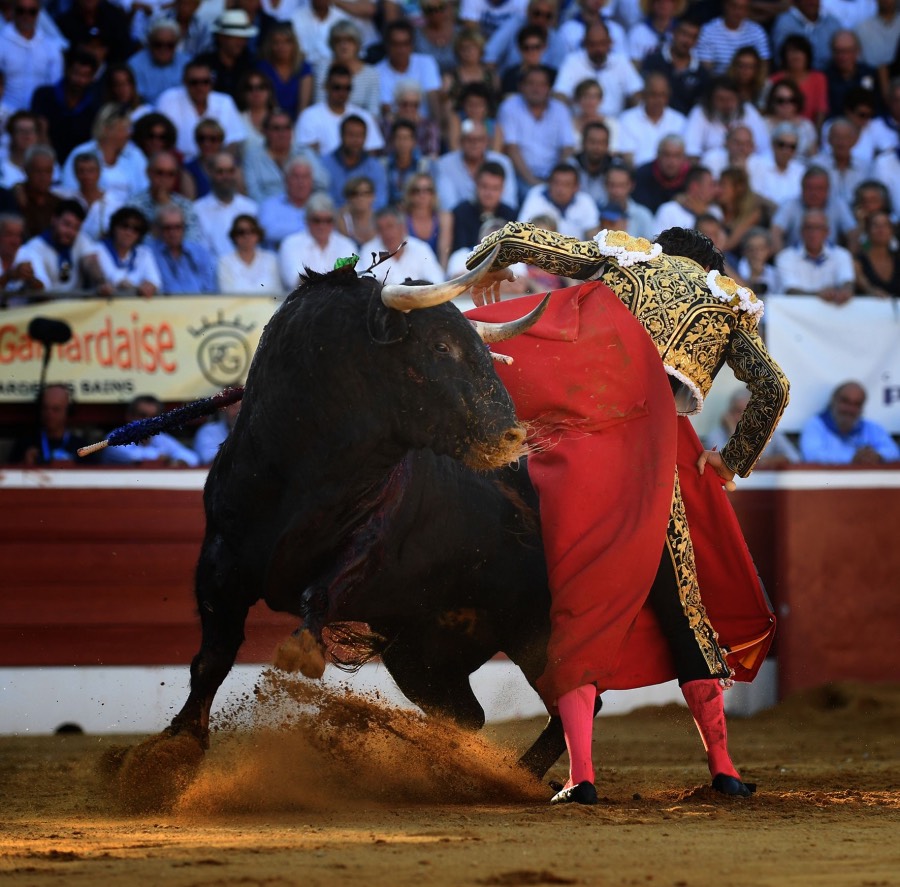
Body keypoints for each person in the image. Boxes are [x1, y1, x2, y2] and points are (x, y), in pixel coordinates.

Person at [465, 221, 788, 803]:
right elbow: (774, 387)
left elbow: (520, 237)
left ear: (661, 251)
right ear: (711, 270)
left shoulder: (629, 263)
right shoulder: (724, 305)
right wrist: (730, 460)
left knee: (579, 608)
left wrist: (488, 263)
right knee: (684, 610)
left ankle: (582, 777)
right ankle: (723, 769)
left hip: (586, 456)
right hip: (661, 464)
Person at [497, 64, 575, 199]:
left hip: (554, 175)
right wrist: (533, 182)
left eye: (541, 84)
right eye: (531, 83)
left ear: (549, 88)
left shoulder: (560, 109)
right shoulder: (509, 107)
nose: (536, 89)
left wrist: (556, 179)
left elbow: (567, 148)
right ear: (521, 86)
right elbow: (512, 149)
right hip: (521, 175)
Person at [156, 60, 248, 160]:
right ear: (184, 82)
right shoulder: (168, 100)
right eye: (194, 82)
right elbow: (159, 139)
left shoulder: (225, 102)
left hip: (216, 163)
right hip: (178, 163)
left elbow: (234, 140)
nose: (200, 87)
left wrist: (220, 163)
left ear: (212, 82)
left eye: (205, 82)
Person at [29, 48, 102, 165]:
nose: (79, 80)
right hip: (46, 161)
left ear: (92, 78)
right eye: (76, 73)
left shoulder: (95, 105)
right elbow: (38, 132)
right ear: (66, 71)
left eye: (85, 75)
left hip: (80, 165)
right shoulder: (44, 96)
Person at [799, 381, 899, 464]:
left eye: (856, 404)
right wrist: (852, 458)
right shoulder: (816, 425)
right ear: (833, 400)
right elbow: (813, 455)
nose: (850, 409)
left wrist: (878, 456)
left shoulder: (871, 428)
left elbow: (894, 452)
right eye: (845, 402)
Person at [11, 198, 93, 293]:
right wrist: (30, 279)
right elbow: (40, 289)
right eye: (67, 224)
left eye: (76, 228)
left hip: (77, 301)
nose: (70, 232)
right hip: (47, 301)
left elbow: (92, 262)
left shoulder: (80, 239)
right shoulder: (34, 247)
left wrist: (101, 281)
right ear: (54, 219)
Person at [774, 208, 855, 303]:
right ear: (801, 231)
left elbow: (847, 281)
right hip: (794, 310)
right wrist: (819, 295)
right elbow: (790, 291)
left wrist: (845, 291)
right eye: (809, 227)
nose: (813, 233)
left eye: (818, 228)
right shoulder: (785, 257)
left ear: (827, 232)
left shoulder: (842, 254)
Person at [277, 192, 356, 286]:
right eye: (317, 220)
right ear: (307, 220)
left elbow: (354, 278)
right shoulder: (290, 244)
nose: (322, 226)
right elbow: (296, 281)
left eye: (328, 220)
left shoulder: (346, 244)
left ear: (334, 222)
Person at [706, 388, 800, 468]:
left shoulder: (769, 432)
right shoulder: (717, 435)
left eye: (747, 412)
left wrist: (766, 462)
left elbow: (794, 458)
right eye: (737, 411)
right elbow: (729, 463)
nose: (742, 417)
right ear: (729, 413)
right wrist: (733, 433)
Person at [83, 205, 161, 298]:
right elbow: (91, 265)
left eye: (136, 229)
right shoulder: (96, 250)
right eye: (124, 226)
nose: (129, 232)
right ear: (114, 227)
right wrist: (135, 288)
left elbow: (154, 282)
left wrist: (149, 287)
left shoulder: (144, 253)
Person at [101, 395, 201, 467]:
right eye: (142, 415)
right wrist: (165, 458)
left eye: (154, 417)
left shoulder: (160, 438)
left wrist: (178, 461)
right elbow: (135, 457)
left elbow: (192, 458)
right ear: (130, 416)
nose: (148, 421)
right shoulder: (115, 437)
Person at [0, 0, 63, 111]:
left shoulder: (51, 46)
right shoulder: (1, 43)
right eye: (21, 11)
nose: (26, 16)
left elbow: (55, 85)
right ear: (13, 11)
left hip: (40, 113)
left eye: (32, 11)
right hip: (5, 112)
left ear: (38, 13)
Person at [193, 151, 259, 258]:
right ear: (210, 173)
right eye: (220, 172)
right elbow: (201, 251)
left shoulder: (250, 208)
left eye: (230, 171)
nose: (226, 177)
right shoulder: (198, 210)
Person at [8, 384, 92, 465]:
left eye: (56, 409)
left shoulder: (82, 447)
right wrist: (25, 464)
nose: (49, 414)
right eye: (45, 408)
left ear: (68, 412)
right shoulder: (25, 444)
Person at [359, 205, 445, 284]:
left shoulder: (421, 248)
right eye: (381, 229)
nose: (386, 233)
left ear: (402, 227)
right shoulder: (369, 250)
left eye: (390, 226)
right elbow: (370, 284)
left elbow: (437, 281)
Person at [320, 114, 388, 212]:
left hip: (366, 218)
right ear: (341, 136)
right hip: (331, 218)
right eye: (351, 135)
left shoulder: (375, 167)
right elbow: (321, 198)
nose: (355, 140)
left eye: (360, 136)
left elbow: (380, 202)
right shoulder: (324, 164)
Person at [518, 162, 600, 239]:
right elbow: (523, 231)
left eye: (566, 185)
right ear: (549, 183)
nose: (560, 189)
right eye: (556, 183)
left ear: (576, 187)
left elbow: (593, 235)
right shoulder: (537, 194)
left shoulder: (585, 201)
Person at [149, 204, 218, 294]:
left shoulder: (200, 252)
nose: (173, 232)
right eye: (167, 228)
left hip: (199, 302)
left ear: (184, 228)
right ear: (158, 229)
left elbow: (210, 289)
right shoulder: (148, 254)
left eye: (178, 227)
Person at [255, 21, 313, 122]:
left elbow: (303, 107)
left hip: (298, 121)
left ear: (294, 44)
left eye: (287, 42)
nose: (281, 47)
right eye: (276, 42)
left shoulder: (304, 68)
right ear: (270, 45)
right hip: (270, 121)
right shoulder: (263, 68)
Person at [257, 155, 318, 248]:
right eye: (296, 177)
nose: (301, 182)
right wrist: (310, 229)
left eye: (305, 177)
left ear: (311, 181)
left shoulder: (320, 206)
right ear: (286, 180)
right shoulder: (270, 205)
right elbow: (267, 231)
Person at [128, 18, 191, 106]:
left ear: (176, 44)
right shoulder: (135, 64)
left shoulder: (187, 63)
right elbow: (135, 99)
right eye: (158, 44)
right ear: (150, 43)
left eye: (170, 45)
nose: (163, 49)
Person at [216, 213, 281, 295]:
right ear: (234, 236)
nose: (247, 236)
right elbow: (226, 294)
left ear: (258, 234)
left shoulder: (271, 259)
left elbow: (278, 293)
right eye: (241, 232)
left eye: (252, 231)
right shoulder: (225, 262)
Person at [631, 134, 691, 214]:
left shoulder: (692, 176)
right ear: (657, 155)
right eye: (666, 155)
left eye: (677, 156)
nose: (671, 161)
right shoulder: (642, 175)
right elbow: (642, 210)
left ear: (684, 158)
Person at [853, 210, 900, 297]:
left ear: (892, 231)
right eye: (876, 225)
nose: (881, 229)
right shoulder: (859, 261)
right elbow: (861, 281)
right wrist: (872, 291)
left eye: (885, 225)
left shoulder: (897, 258)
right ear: (868, 231)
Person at [193, 396, 242, 464]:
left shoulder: (254, 432)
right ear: (224, 409)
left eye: (242, 408)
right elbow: (209, 458)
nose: (238, 412)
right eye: (234, 407)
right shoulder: (209, 431)